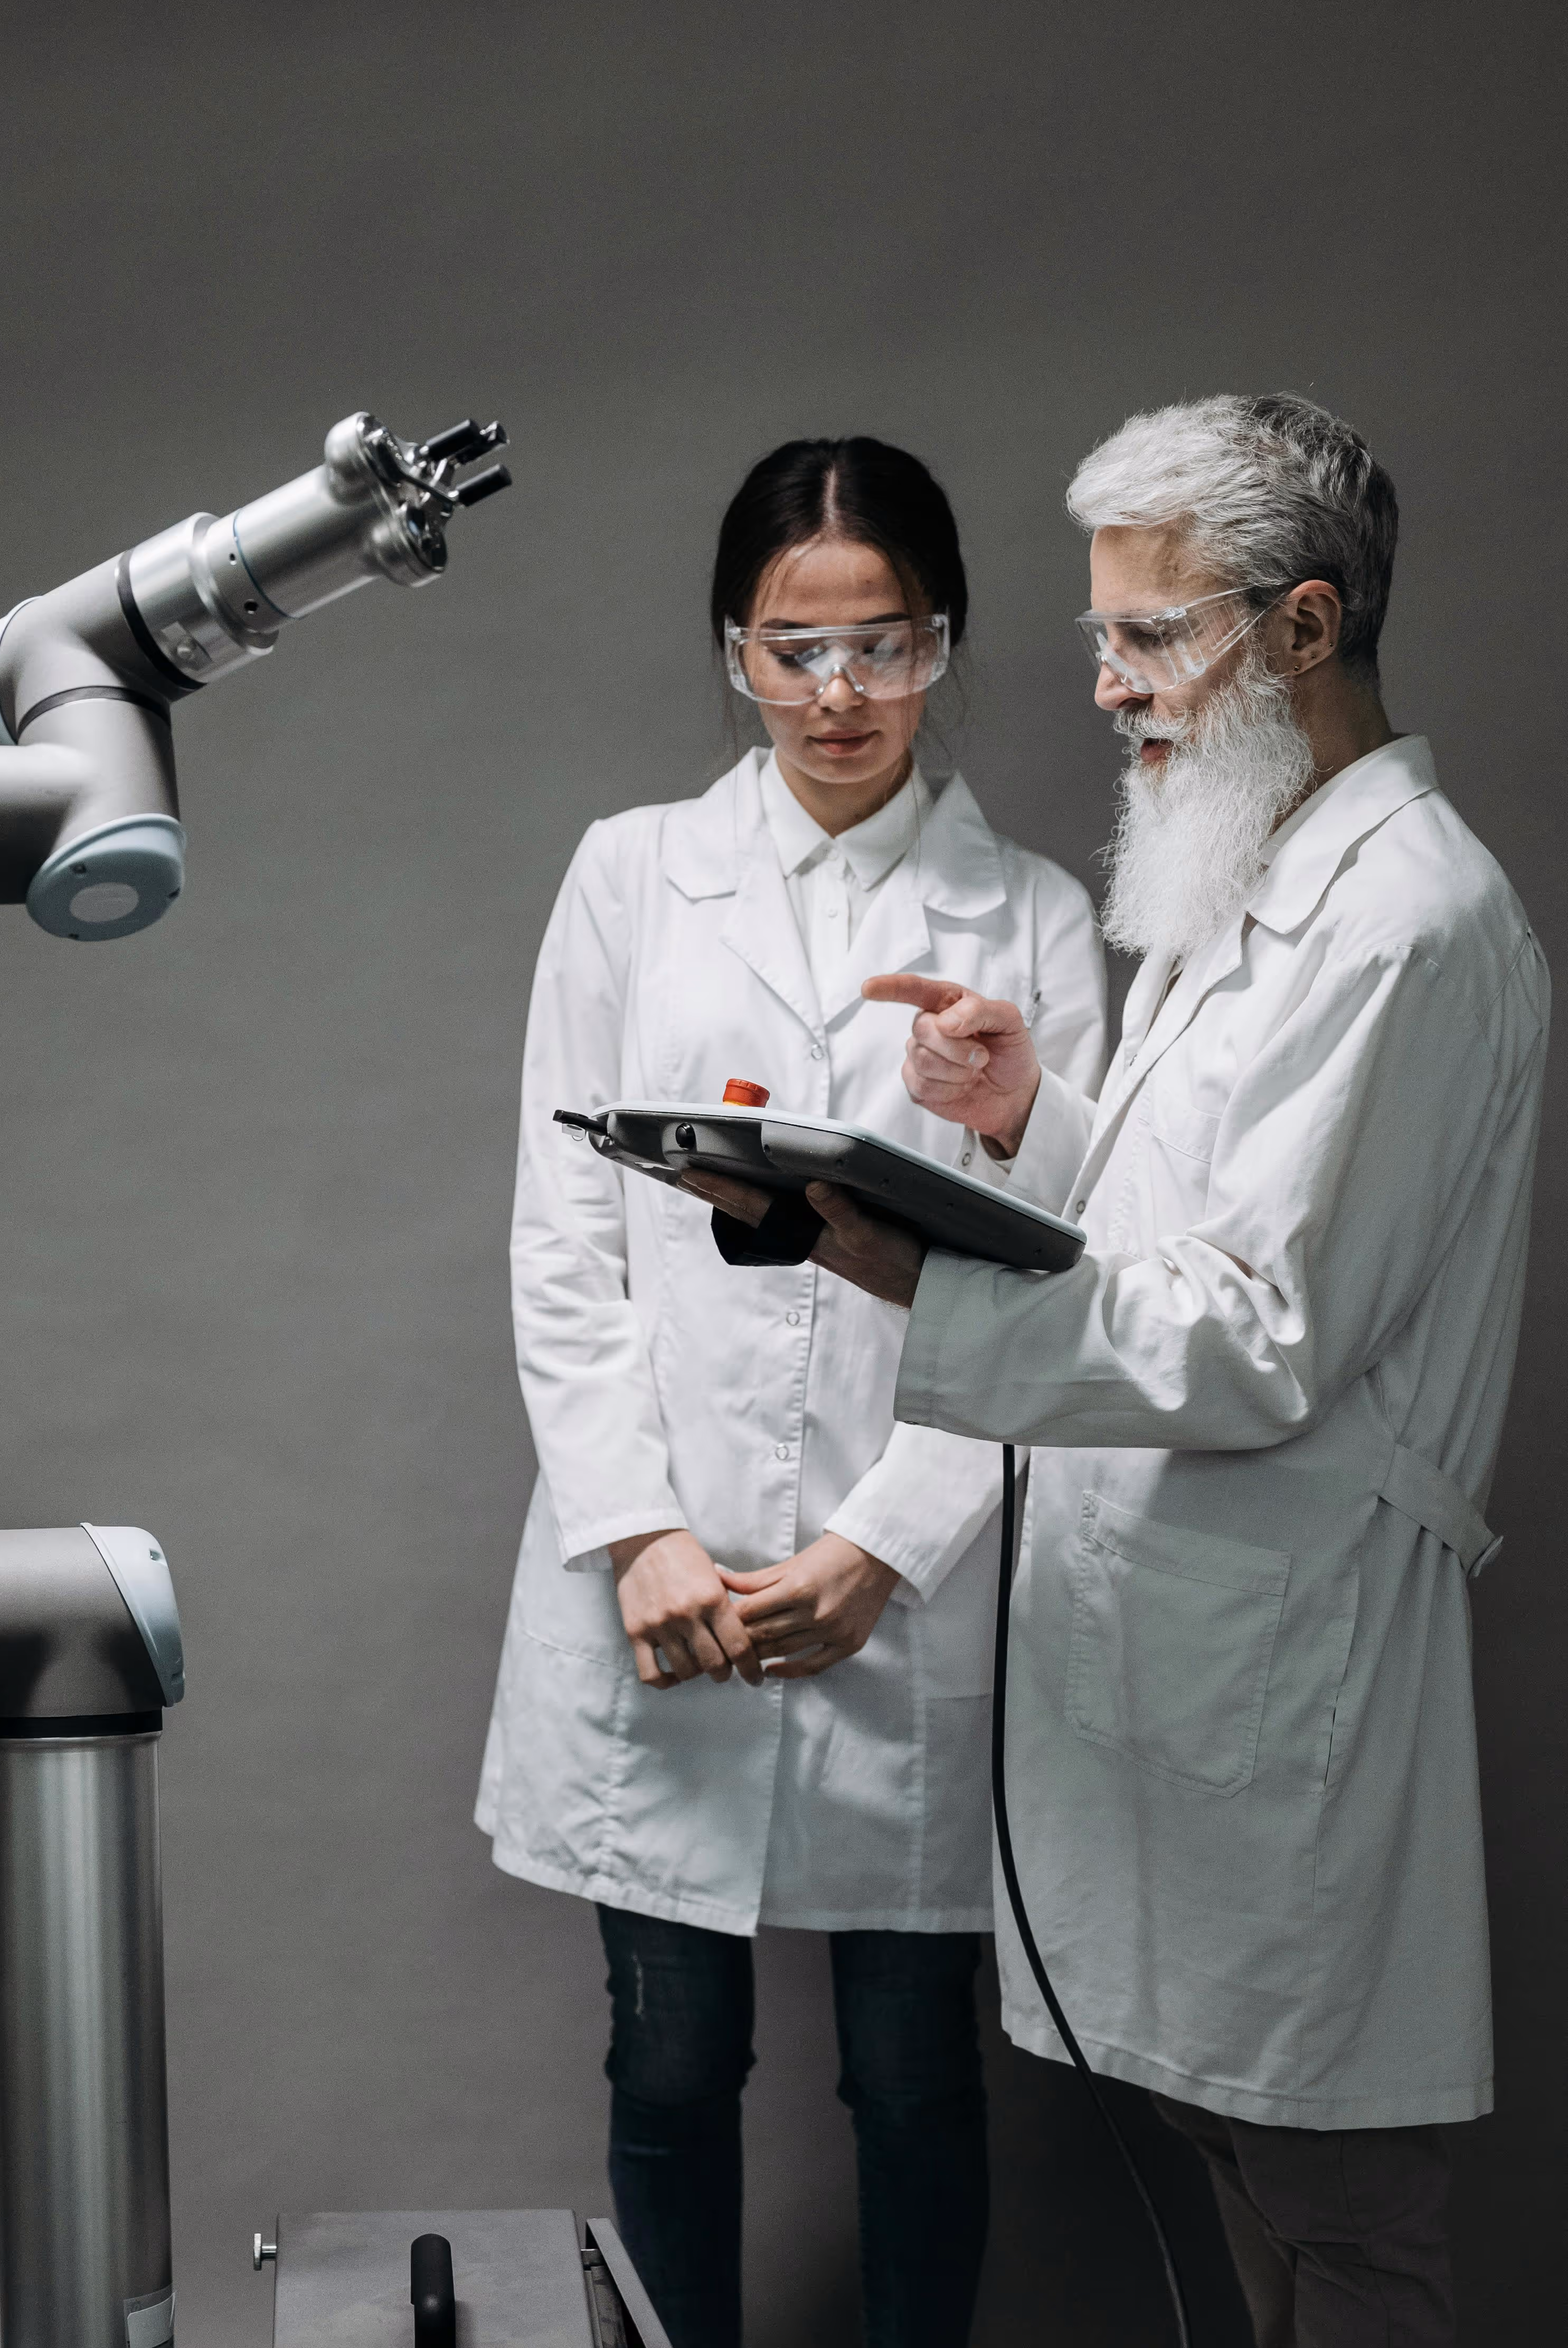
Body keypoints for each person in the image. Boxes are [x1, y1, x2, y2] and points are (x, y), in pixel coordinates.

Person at [693, 395, 1548, 2348]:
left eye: (1154, 638)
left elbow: (1260, 1333)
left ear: (1308, 629)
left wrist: (920, 1274)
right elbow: (1204, 1225)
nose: (1105, 686)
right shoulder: (1261, 871)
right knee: (1245, 2144)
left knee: (1338, 2188)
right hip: (1188, 1614)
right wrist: (1034, 1121)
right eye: (1104, 635)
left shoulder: (1411, 920)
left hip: (1287, 1622)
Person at [476, 436, 1107, 2348]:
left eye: (886, 646)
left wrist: (887, 1546)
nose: (840, 696)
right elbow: (562, 1232)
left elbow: (1059, 1264)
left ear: (947, 646)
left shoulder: (1035, 921)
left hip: (904, 1586)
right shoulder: (633, 880)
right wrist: (640, 1530)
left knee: (918, 2081)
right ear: (733, 655)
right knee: (667, 2074)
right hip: (659, 1582)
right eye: (794, 650)